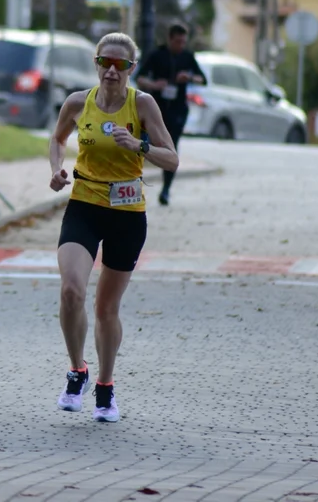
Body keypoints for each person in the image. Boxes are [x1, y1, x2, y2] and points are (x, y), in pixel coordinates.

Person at [48, 32, 178, 423]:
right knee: (71, 290)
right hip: (85, 205)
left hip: (126, 211)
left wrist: (138, 146)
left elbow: (171, 159)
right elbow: (57, 140)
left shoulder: (142, 104)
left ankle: (105, 386)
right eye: (104, 62)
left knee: (106, 307)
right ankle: (78, 371)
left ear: (131, 69)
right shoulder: (77, 102)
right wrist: (56, 169)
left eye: (119, 64)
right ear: (96, 63)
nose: (110, 70)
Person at [133, 22, 205, 205]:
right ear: (170, 39)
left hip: (178, 109)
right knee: (143, 143)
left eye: (183, 42)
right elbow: (139, 77)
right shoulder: (157, 55)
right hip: (156, 108)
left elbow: (202, 79)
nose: (181, 45)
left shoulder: (187, 57)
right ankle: (134, 183)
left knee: (171, 147)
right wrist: (154, 85)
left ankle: (166, 189)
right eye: (178, 42)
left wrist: (188, 77)